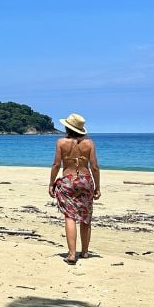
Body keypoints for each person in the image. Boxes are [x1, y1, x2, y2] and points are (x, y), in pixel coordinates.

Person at [48, 113, 100, 264]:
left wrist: (51, 183)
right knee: (86, 218)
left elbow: (56, 165)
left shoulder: (61, 142)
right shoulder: (89, 144)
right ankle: (84, 252)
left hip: (68, 180)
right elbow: (95, 167)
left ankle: (71, 254)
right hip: (85, 180)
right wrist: (97, 186)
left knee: (70, 216)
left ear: (67, 127)